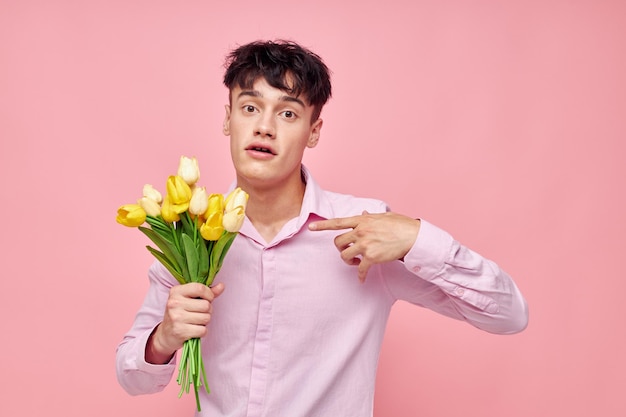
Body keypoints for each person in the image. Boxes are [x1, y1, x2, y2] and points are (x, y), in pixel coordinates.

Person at [116, 39, 528, 416]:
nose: (264, 126)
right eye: (249, 107)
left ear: (313, 132)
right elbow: (131, 376)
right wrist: (164, 338)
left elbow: (508, 315)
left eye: (288, 113)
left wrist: (417, 239)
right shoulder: (188, 234)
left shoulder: (367, 232)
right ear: (228, 119)